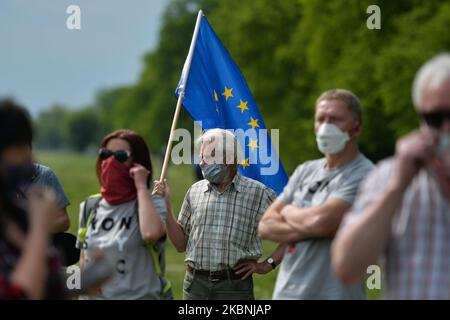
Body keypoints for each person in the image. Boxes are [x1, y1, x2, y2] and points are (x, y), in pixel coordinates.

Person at [332, 53, 450, 299]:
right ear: (421, 117)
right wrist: (397, 187)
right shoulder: (389, 176)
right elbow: (348, 267)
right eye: (436, 118)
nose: (446, 128)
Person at [258, 89, 374, 299]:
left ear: (355, 127)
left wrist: (289, 212)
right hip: (287, 293)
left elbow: (321, 221)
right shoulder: (306, 170)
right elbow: (266, 226)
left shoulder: (366, 174)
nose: (326, 126)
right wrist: (316, 226)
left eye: (335, 119)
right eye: (321, 119)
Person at [154, 129, 284, 300]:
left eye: (208, 156)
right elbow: (180, 245)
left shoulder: (258, 193)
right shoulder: (195, 191)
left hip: (235, 287)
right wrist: (166, 206)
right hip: (195, 286)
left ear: (229, 157)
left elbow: (292, 232)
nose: (201, 163)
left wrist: (267, 265)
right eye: (201, 157)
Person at [76, 129, 171, 300]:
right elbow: (84, 257)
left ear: (137, 163)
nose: (110, 162)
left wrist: (141, 187)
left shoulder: (151, 204)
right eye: (105, 154)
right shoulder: (90, 206)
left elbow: (151, 234)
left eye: (120, 156)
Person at [0, 99, 65, 299]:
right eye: (19, 149)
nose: (30, 159)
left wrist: (85, 280)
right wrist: (39, 229)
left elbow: (49, 282)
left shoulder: (15, 211)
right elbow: (19, 294)